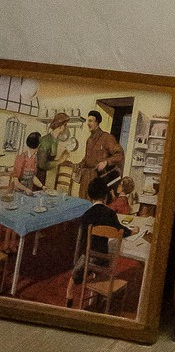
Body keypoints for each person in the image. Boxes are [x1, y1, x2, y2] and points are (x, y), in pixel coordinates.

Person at [65, 176, 132, 306]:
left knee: (74, 276)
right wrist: (132, 231)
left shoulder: (86, 215)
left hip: (87, 257)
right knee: (104, 268)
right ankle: (99, 298)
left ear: (90, 196)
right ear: (105, 196)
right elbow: (121, 231)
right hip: (103, 258)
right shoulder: (110, 213)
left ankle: (69, 295)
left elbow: (82, 239)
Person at [77, 110, 125, 197]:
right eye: (88, 121)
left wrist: (106, 162)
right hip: (86, 177)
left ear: (97, 123)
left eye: (90, 121)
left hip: (98, 178)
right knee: (82, 200)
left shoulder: (107, 138)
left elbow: (120, 154)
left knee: (94, 201)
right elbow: (87, 158)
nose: (88, 124)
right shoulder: (89, 140)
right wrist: (80, 164)